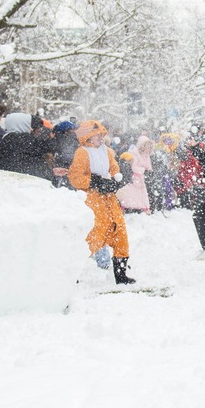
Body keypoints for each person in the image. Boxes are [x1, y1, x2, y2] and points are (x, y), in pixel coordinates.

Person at [68, 120, 135, 285]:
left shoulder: (107, 151)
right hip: (92, 198)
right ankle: (71, 272)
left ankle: (121, 275)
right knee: (96, 232)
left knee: (119, 231)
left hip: (109, 198)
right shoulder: (82, 153)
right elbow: (75, 177)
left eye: (101, 135)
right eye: (96, 135)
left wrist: (115, 181)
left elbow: (115, 170)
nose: (100, 138)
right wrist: (95, 182)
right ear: (87, 137)